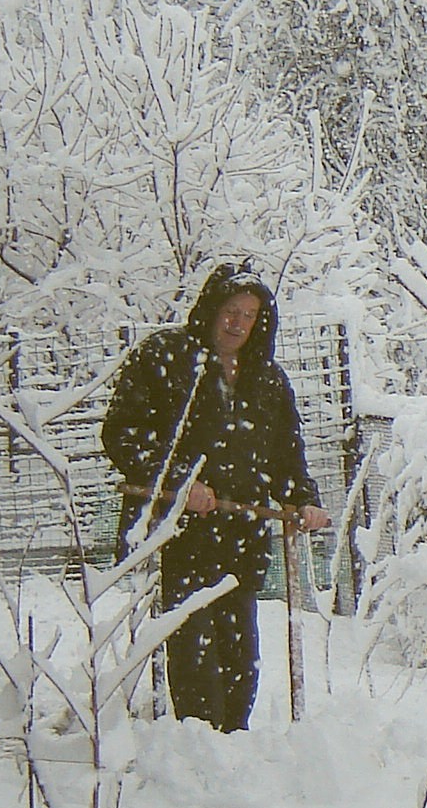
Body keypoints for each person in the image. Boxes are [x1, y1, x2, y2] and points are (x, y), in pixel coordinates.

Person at [102, 262, 331, 732]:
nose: (237, 323)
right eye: (230, 311)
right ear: (209, 310)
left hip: (240, 535)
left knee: (239, 652)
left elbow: (285, 455)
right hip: (177, 534)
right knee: (190, 643)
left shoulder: (265, 380)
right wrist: (181, 484)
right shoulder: (165, 358)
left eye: (249, 315)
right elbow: (122, 434)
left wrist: (300, 499)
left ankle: (233, 742)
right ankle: (197, 742)